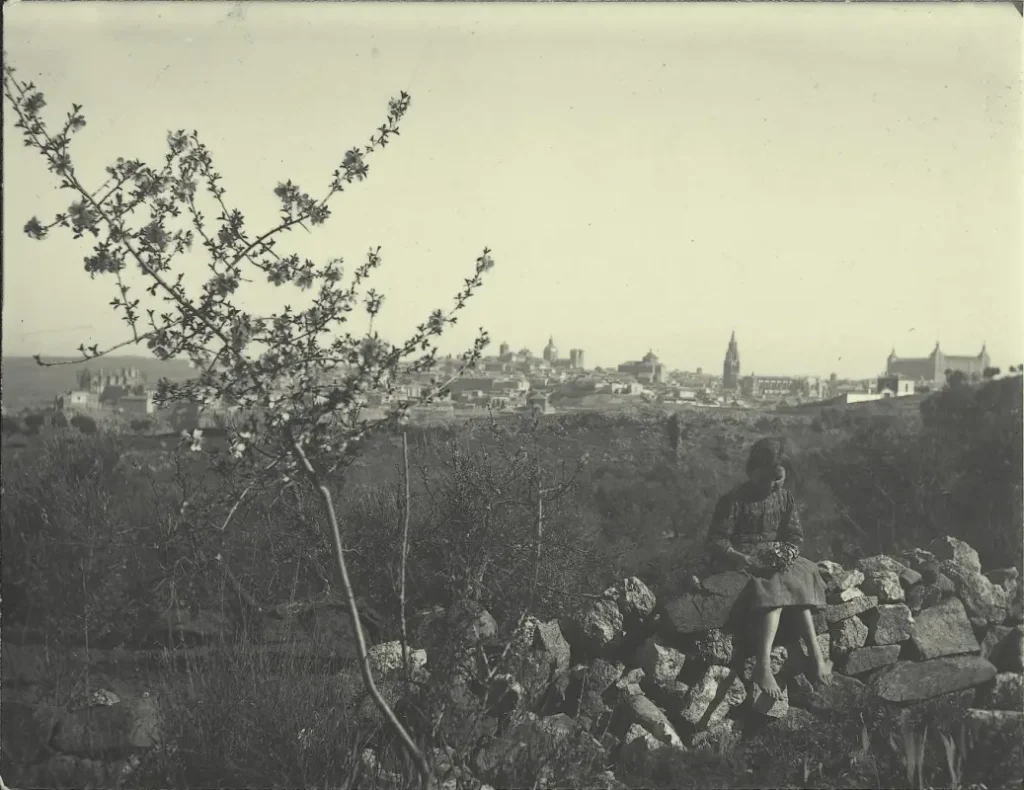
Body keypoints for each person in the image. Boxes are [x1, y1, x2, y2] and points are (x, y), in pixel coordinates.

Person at [705, 436, 832, 698]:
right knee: (773, 581)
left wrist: (788, 552)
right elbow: (716, 540)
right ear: (752, 471)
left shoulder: (785, 499)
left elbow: (795, 535)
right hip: (744, 557)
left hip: (775, 555)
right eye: (767, 478)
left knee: (803, 573)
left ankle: (817, 657)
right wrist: (742, 558)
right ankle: (763, 665)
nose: (773, 485)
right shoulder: (733, 501)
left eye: (779, 478)